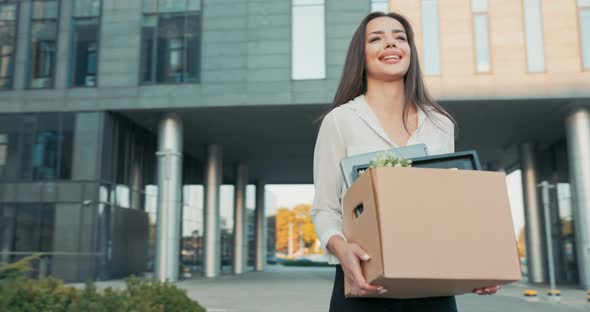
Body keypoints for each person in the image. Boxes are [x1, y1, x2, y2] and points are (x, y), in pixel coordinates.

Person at [311, 11, 500, 312]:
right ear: (361, 55)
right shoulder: (340, 121)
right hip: (364, 286)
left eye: (400, 37)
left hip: (432, 287)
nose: (391, 44)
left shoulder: (440, 124)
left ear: (410, 51)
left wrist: (479, 262)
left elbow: (452, 209)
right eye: (377, 38)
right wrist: (341, 248)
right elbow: (325, 208)